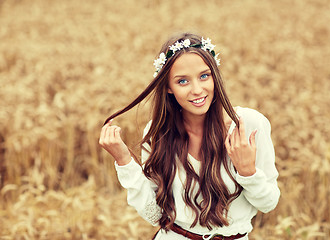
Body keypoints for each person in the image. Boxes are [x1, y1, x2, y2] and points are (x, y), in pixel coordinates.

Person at [99, 32, 280, 240]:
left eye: (204, 76)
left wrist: (247, 171)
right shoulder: (158, 133)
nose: (197, 89)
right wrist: (123, 160)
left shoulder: (248, 125)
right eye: (183, 81)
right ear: (168, 87)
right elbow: (155, 214)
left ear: (215, 76)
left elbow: (268, 203)